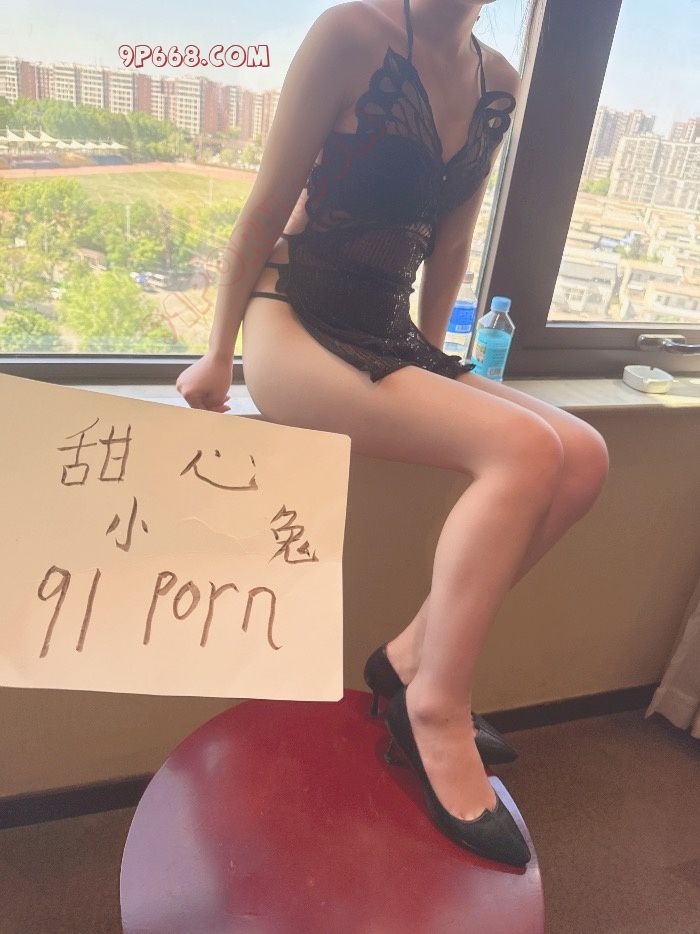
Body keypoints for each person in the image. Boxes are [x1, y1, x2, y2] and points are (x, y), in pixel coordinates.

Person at [176, 0, 609, 867]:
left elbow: (451, 243)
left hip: (384, 324)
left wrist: (433, 361)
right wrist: (217, 356)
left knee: (584, 457)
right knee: (526, 451)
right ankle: (434, 705)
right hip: (291, 317)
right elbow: (264, 209)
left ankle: (410, 655)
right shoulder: (352, 32)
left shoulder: (499, 78)